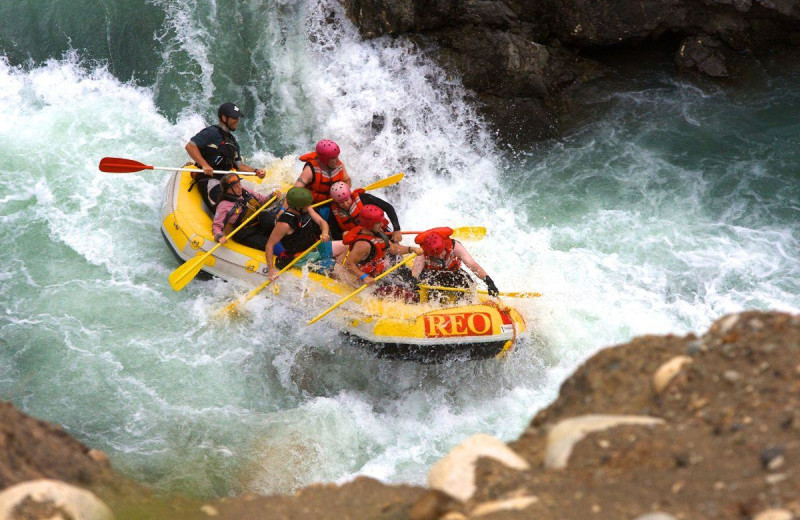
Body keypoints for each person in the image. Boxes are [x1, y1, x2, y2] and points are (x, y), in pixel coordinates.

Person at [185, 102, 266, 213]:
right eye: (234, 117)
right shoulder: (211, 132)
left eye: (238, 118)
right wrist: (204, 165)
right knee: (231, 206)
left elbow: (238, 165)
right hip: (209, 179)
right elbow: (190, 146)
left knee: (254, 198)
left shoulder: (233, 142)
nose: (237, 120)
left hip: (227, 179)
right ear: (224, 118)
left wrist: (256, 171)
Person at [340, 205, 421, 292]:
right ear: (369, 224)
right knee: (407, 293)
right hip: (369, 280)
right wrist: (364, 277)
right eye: (378, 222)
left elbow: (393, 248)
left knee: (409, 278)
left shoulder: (376, 232)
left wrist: (411, 249)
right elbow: (348, 264)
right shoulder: (363, 245)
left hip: (380, 271)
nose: (382, 224)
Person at [265, 187, 334, 280]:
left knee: (344, 246)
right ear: (298, 207)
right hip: (301, 258)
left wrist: (325, 233)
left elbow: (322, 222)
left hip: (313, 248)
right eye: (307, 204)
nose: (309, 205)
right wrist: (271, 270)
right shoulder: (284, 223)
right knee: (337, 269)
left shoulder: (306, 208)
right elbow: (269, 245)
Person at [411, 227, 500, 297]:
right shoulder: (422, 252)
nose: (439, 257)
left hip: (453, 272)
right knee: (432, 289)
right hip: (432, 274)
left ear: (444, 246)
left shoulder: (455, 246)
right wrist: (413, 283)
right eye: (435, 255)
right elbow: (415, 272)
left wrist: (489, 282)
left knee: (470, 285)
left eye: (440, 253)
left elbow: (472, 265)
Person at [212, 173, 281, 254]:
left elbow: (262, 201)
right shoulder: (224, 206)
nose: (240, 188)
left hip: (256, 224)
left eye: (239, 184)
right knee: (269, 243)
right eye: (236, 187)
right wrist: (219, 236)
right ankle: (281, 252)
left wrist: (272, 196)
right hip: (243, 232)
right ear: (228, 190)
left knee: (266, 216)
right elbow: (217, 225)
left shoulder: (246, 192)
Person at [328, 181, 403, 242]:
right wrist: (343, 234)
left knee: (391, 246)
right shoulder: (334, 212)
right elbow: (335, 234)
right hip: (358, 241)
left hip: (380, 232)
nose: (345, 204)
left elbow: (388, 208)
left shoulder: (364, 198)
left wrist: (397, 229)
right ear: (336, 202)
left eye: (347, 200)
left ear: (350, 195)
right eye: (341, 202)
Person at [294, 140, 352, 215]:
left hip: (334, 204)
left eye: (337, 156)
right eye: (333, 158)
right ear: (325, 160)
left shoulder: (339, 165)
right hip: (313, 206)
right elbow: (296, 189)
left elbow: (347, 180)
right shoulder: (310, 169)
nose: (337, 160)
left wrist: (344, 192)